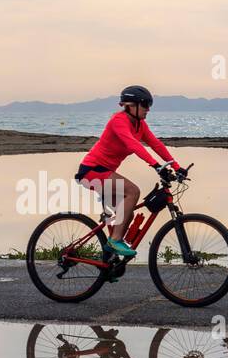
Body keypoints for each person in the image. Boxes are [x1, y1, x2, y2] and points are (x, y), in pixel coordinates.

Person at [75, 85, 183, 257]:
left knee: (127, 215)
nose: (148, 109)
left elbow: (156, 144)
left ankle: (108, 263)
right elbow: (133, 145)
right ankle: (115, 240)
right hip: (92, 171)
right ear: (131, 105)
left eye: (149, 105)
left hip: (105, 171)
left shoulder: (140, 125)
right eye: (145, 105)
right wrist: (156, 166)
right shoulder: (119, 121)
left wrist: (177, 166)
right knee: (133, 191)